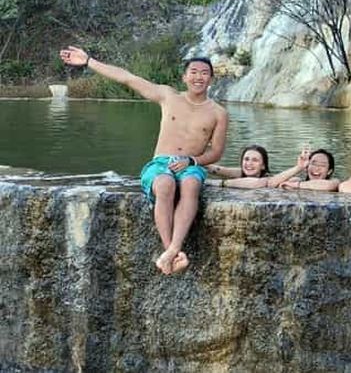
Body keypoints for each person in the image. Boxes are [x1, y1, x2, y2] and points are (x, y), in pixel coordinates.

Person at [59, 46, 228, 276]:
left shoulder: (218, 113)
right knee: (165, 184)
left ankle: (172, 250)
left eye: (204, 73)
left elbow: (216, 152)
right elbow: (128, 78)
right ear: (184, 76)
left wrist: (192, 160)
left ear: (211, 78)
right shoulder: (169, 96)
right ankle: (170, 250)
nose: (199, 77)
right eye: (194, 72)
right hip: (160, 164)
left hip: (191, 164)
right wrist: (88, 61)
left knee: (190, 184)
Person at [205, 145, 309, 189]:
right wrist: (194, 161)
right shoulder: (241, 173)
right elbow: (220, 170)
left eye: (255, 160)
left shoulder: (266, 179)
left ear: (263, 166)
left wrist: (298, 168)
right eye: (246, 159)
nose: (249, 163)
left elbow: (265, 182)